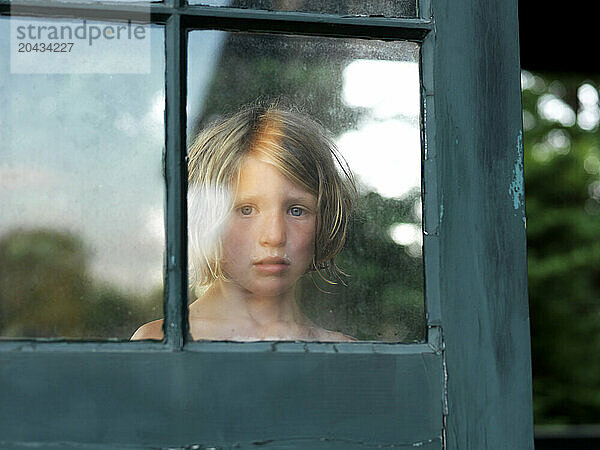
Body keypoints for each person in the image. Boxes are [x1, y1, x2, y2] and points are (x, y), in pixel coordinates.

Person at [132, 102, 357, 341]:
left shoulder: (342, 352)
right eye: (246, 210)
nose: (274, 236)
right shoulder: (161, 341)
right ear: (207, 218)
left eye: (296, 211)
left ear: (324, 220)